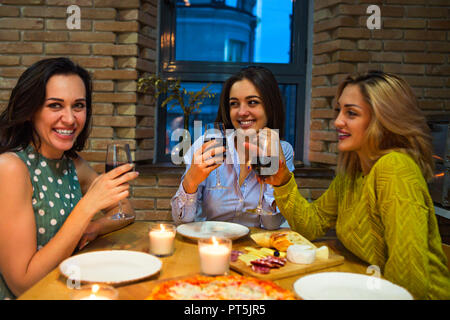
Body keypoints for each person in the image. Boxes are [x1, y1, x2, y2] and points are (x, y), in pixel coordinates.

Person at [257, 70, 450, 299]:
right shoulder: (352, 170)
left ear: (382, 119)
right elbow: (311, 225)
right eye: (339, 110)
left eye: (351, 113)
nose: (338, 121)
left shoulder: (395, 168)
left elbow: (408, 281)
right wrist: (283, 181)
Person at [0, 57, 139, 299]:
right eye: (55, 105)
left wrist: (95, 227)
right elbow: (23, 286)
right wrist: (87, 207)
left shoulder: (75, 166)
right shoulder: (11, 168)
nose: (70, 119)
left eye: (78, 105)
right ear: (30, 110)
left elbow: (126, 210)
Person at [171, 66, 295, 229]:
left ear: (270, 106)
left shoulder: (283, 149)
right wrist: (190, 182)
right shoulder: (208, 144)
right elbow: (181, 222)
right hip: (212, 245)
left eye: (252, 102)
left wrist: (275, 175)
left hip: (255, 250)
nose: (242, 112)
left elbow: (271, 224)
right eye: (234, 104)